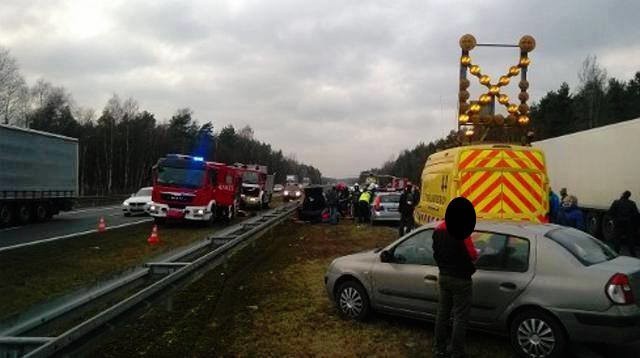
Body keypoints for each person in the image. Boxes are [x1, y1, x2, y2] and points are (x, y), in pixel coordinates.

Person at [432, 197, 478, 358]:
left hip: (444, 276)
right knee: (460, 316)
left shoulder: (437, 230)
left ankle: (439, 348)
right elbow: (472, 255)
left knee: (442, 313)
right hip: (461, 279)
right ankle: (457, 351)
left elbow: (435, 253)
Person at [609, 190, 639, 257]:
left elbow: (610, 212)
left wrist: (614, 220)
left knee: (617, 238)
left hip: (618, 223)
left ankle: (616, 253)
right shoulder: (632, 203)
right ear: (629, 196)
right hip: (628, 224)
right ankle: (633, 254)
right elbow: (636, 214)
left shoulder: (616, 202)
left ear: (622, 194)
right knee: (630, 239)